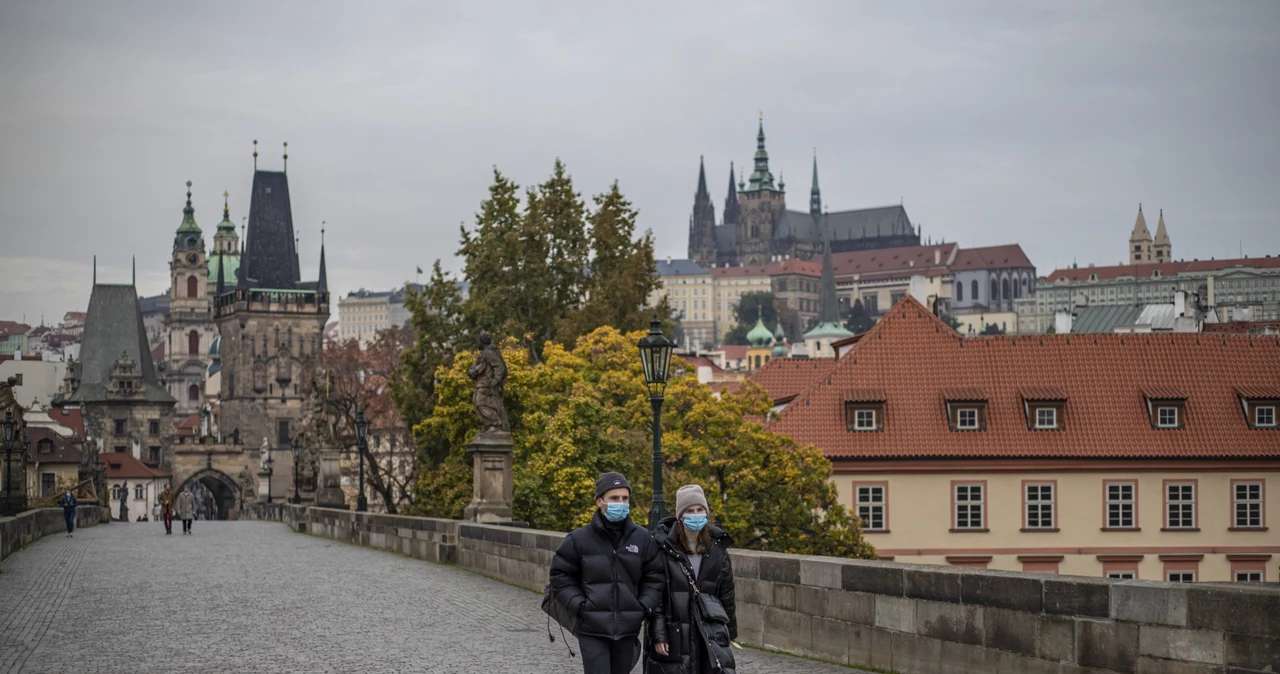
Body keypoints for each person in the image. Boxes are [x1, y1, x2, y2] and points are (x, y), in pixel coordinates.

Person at [549, 472, 665, 674]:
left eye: (625, 498)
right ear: (599, 501)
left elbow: (655, 577)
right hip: (592, 628)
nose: (621, 503)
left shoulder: (643, 538)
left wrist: (642, 607)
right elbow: (560, 576)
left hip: (628, 628)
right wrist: (581, 606)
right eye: (614, 498)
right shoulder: (578, 539)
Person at [645, 484, 737, 674]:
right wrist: (659, 634)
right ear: (680, 516)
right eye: (690, 510)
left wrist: (729, 632)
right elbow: (656, 597)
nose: (696, 515)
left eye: (700, 509)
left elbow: (726, 595)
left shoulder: (718, 550)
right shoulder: (664, 549)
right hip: (675, 631)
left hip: (709, 631)